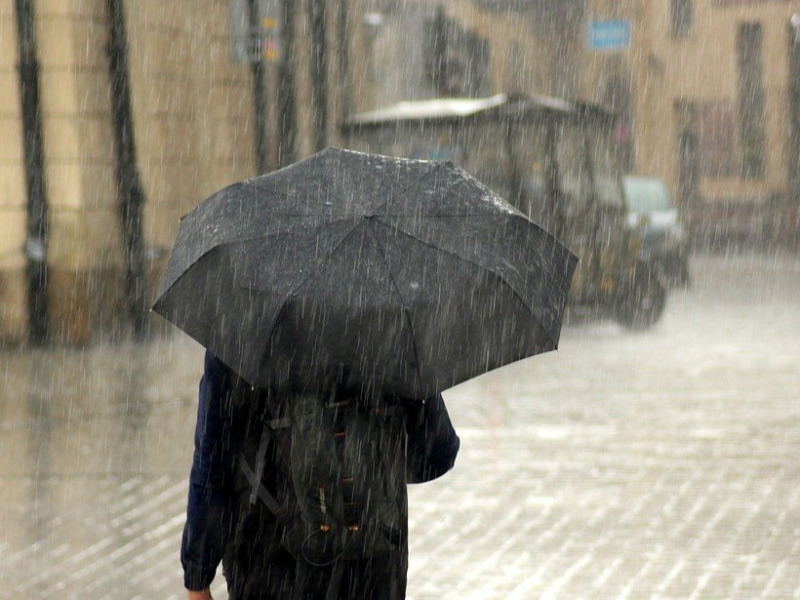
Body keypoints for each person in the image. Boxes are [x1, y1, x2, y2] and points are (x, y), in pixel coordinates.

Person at [182, 351, 461, 599]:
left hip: (268, 559)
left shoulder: (244, 325)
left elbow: (212, 461)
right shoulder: (389, 323)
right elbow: (439, 451)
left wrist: (198, 574)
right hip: (372, 559)